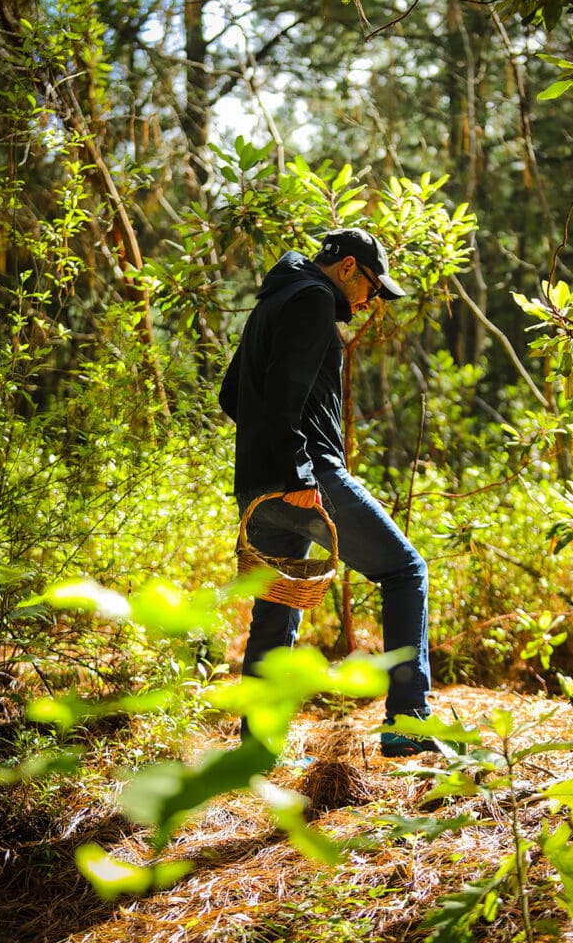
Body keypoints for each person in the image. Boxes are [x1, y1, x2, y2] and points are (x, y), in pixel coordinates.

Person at [219, 227, 436, 757]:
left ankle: (258, 749)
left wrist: (269, 465)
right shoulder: (315, 299)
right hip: (305, 481)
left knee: (276, 608)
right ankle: (410, 728)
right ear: (346, 270)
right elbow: (284, 393)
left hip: (256, 491)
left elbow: (232, 395)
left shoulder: (273, 301)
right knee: (405, 571)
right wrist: (299, 475)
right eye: (372, 288)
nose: (370, 301)